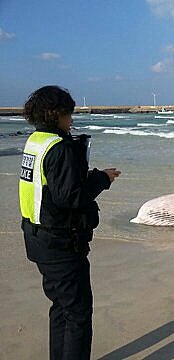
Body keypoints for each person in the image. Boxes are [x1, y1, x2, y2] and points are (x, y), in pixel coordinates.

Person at [19, 85, 121, 359]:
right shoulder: (59, 148)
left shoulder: (36, 141)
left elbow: (55, 188)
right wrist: (102, 180)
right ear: (56, 114)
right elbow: (70, 197)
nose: (72, 120)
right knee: (77, 313)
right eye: (68, 114)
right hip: (60, 245)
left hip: (38, 239)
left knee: (61, 308)